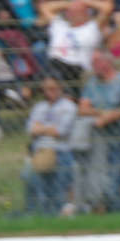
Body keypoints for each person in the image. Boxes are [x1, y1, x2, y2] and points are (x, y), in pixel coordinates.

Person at [77, 52, 120, 211]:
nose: (93, 66)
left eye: (96, 62)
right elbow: (82, 109)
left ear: (107, 63)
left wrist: (112, 115)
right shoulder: (91, 83)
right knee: (99, 181)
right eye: (92, 62)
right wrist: (102, 113)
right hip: (98, 135)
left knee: (113, 184)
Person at [25, 75, 79, 214]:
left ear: (60, 88)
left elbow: (61, 131)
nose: (49, 92)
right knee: (31, 180)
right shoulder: (39, 107)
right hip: (40, 151)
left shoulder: (69, 106)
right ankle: (38, 214)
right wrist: (49, 129)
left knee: (58, 192)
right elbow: (30, 129)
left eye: (52, 88)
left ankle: (57, 212)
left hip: (61, 151)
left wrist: (40, 128)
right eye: (46, 89)